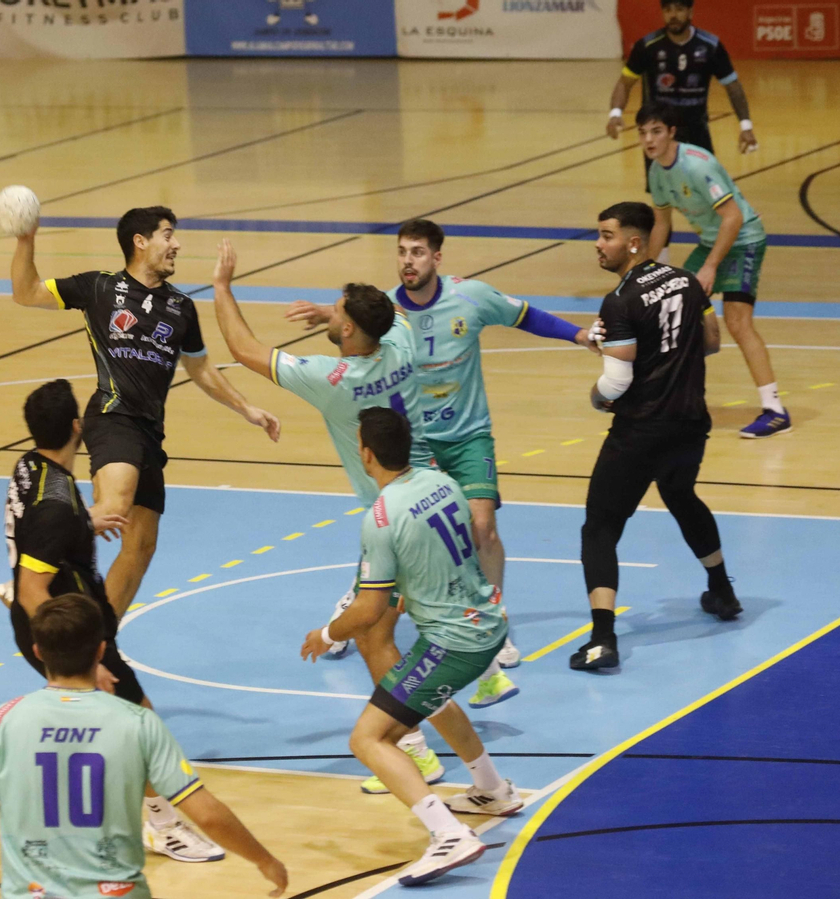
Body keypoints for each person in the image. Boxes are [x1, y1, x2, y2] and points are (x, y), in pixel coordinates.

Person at [206, 239, 505, 794]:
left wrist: (221, 286)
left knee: (373, 631)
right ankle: (477, 742)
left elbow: (243, 348)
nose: (331, 313)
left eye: (337, 311)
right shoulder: (402, 343)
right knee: (399, 630)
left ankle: (413, 747)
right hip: (434, 490)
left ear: (347, 330)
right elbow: (388, 319)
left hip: (397, 514)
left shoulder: (332, 380)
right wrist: (338, 315)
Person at [285, 220, 596, 674]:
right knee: (397, 530)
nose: (408, 261)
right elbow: (352, 334)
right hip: (414, 441)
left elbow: (526, 316)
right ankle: (356, 599)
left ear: (437, 257)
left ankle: (493, 620)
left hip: (468, 435)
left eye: (417, 252)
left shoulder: (472, 297)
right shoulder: (385, 310)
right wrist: (330, 316)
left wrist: (579, 335)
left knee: (482, 527)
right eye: (402, 252)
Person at [9, 206, 280, 619]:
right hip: (113, 416)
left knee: (140, 546)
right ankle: (31, 573)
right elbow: (25, 291)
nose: (176, 244)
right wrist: (25, 239)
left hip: (150, 431)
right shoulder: (99, 287)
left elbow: (200, 368)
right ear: (140, 242)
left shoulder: (181, 307)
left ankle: (100, 636)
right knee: (114, 507)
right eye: (167, 235)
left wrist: (246, 408)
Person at [3, 379, 226, 863]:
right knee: (141, 724)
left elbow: (39, 537)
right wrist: (89, 661)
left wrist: (85, 523)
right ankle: (163, 825)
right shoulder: (56, 506)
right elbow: (32, 589)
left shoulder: (29, 468)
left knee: (85, 722)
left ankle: (20, 790)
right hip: (69, 636)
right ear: (78, 428)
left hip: (59, 626)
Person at [300, 408, 523, 888]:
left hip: (453, 643)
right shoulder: (442, 482)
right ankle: (492, 789)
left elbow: (368, 609)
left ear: (365, 454)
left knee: (367, 739)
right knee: (429, 698)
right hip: (488, 624)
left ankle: (448, 835)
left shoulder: (382, 518)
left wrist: (327, 635)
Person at [0, 594, 288, 899]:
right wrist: (264, 860)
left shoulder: (3, 720)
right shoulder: (138, 722)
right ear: (100, 651)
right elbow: (208, 815)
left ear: (37, 652)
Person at [573, 202, 741, 672]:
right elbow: (711, 341)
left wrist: (596, 397)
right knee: (680, 494)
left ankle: (602, 640)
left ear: (633, 243)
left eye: (606, 235)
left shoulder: (620, 300)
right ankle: (722, 591)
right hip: (690, 424)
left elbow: (616, 382)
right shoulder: (687, 281)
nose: (598, 244)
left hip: (641, 431)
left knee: (600, 527)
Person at [638, 103, 790, 438]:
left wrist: (710, 267)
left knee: (737, 322)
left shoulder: (697, 165)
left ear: (671, 132)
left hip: (744, 239)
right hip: (712, 242)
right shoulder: (656, 171)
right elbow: (661, 224)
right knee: (673, 313)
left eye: (656, 131)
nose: (649, 140)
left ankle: (776, 411)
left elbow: (733, 217)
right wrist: (644, 271)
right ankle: (673, 400)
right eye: (643, 133)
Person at [607, 0, 759, 190]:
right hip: (659, 133)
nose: (673, 15)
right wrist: (615, 113)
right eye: (668, 10)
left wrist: (746, 126)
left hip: (696, 129)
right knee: (663, 196)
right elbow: (625, 82)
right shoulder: (648, 46)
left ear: (690, 12)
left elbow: (732, 86)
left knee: (708, 189)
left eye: (679, 9)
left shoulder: (710, 45)